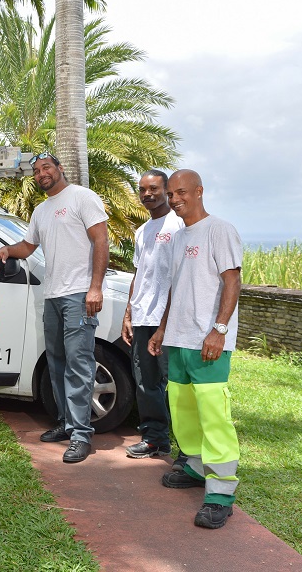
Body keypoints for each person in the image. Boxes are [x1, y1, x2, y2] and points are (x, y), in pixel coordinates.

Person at [0, 153, 109, 464]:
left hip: (79, 295)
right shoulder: (41, 211)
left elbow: (101, 240)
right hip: (53, 295)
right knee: (56, 363)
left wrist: (95, 287)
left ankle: (81, 435)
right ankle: (66, 423)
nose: (42, 173)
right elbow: (28, 247)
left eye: (46, 167)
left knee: (80, 364)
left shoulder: (82, 197)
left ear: (60, 169)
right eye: (37, 170)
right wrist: (6, 249)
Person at [148, 169, 243, 530]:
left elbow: (232, 281)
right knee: (184, 409)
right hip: (179, 338)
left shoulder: (219, 229)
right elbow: (177, 287)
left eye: (181, 192)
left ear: (199, 191)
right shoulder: (176, 237)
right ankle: (195, 466)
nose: (174, 199)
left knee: (213, 414)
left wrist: (218, 331)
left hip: (209, 342)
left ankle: (220, 493)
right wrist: (162, 329)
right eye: (171, 194)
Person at [121, 170, 184, 459]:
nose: (147, 194)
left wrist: (165, 321)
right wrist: (128, 312)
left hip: (169, 318)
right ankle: (155, 439)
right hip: (143, 316)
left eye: (154, 189)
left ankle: (189, 450)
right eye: (142, 190)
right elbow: (139, 273)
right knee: (146, 382)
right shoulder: (142, 230)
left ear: (167, 189)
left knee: (179, 385)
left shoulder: (180, 225)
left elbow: (181, 276)